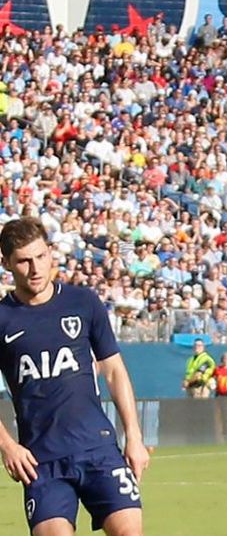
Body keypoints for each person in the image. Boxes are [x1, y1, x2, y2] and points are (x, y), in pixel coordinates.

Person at [0, 217, 149, 535]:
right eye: (24, 261)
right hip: (42, 461)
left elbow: (114, 371)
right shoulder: (3, 319)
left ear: (50, 251)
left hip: (99, 449)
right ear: (6, 264)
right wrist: (7, 445)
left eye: (41, 256)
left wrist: (134, 437)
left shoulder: (83, 302)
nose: (36, 269)